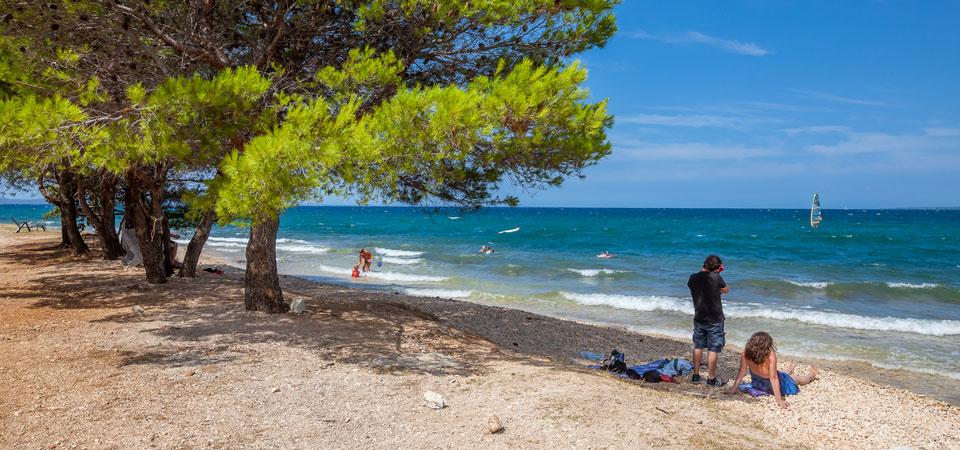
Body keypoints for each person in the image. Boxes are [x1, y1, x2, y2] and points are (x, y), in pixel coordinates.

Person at [727, 332, 818, 409]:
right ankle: (811, 375)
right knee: (796, 378)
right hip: (772, 385)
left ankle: (789, 369)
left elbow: (742, 372)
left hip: (758, 384)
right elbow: (773, 378)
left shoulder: (746, 353)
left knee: (781, 374)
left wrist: (733, 389)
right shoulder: (770, 355)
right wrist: (779, 400)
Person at [687, 254, 729, 386]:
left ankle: (695, 375)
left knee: (698, 346)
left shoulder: (693, 278)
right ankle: (711, 379)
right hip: (715, 319)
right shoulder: (716, 277)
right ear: (716, 268)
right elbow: (725, 290)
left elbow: (701, 289)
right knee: (713, 348)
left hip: (699, 317)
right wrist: (717, 275)